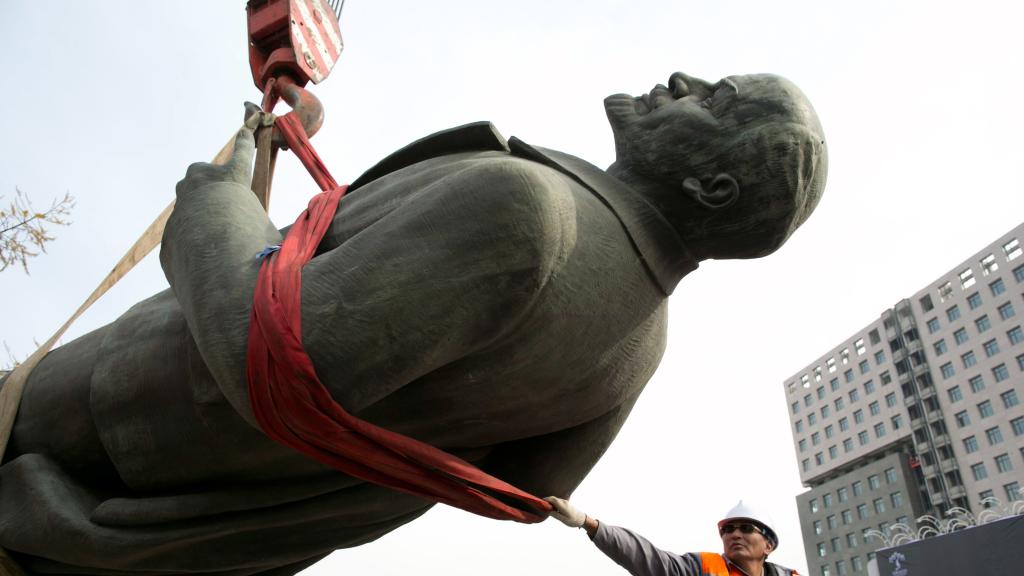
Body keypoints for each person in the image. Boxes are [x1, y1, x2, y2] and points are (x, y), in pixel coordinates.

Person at [0, 72, 825, 574]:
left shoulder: (531, 208)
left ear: (713, 190)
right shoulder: (637, 351)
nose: (680, 79)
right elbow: (499, 484)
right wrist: (272, 160)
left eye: (713, 101)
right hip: (147, 536)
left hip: (84, 429)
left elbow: (271, 363)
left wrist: (215, 207)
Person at [546, 498, 798, 576]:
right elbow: (644, 557)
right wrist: (587, 522)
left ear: (768, 544)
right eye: (728, 530)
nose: (734, 535)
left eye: (745, 528)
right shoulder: (704, 569)